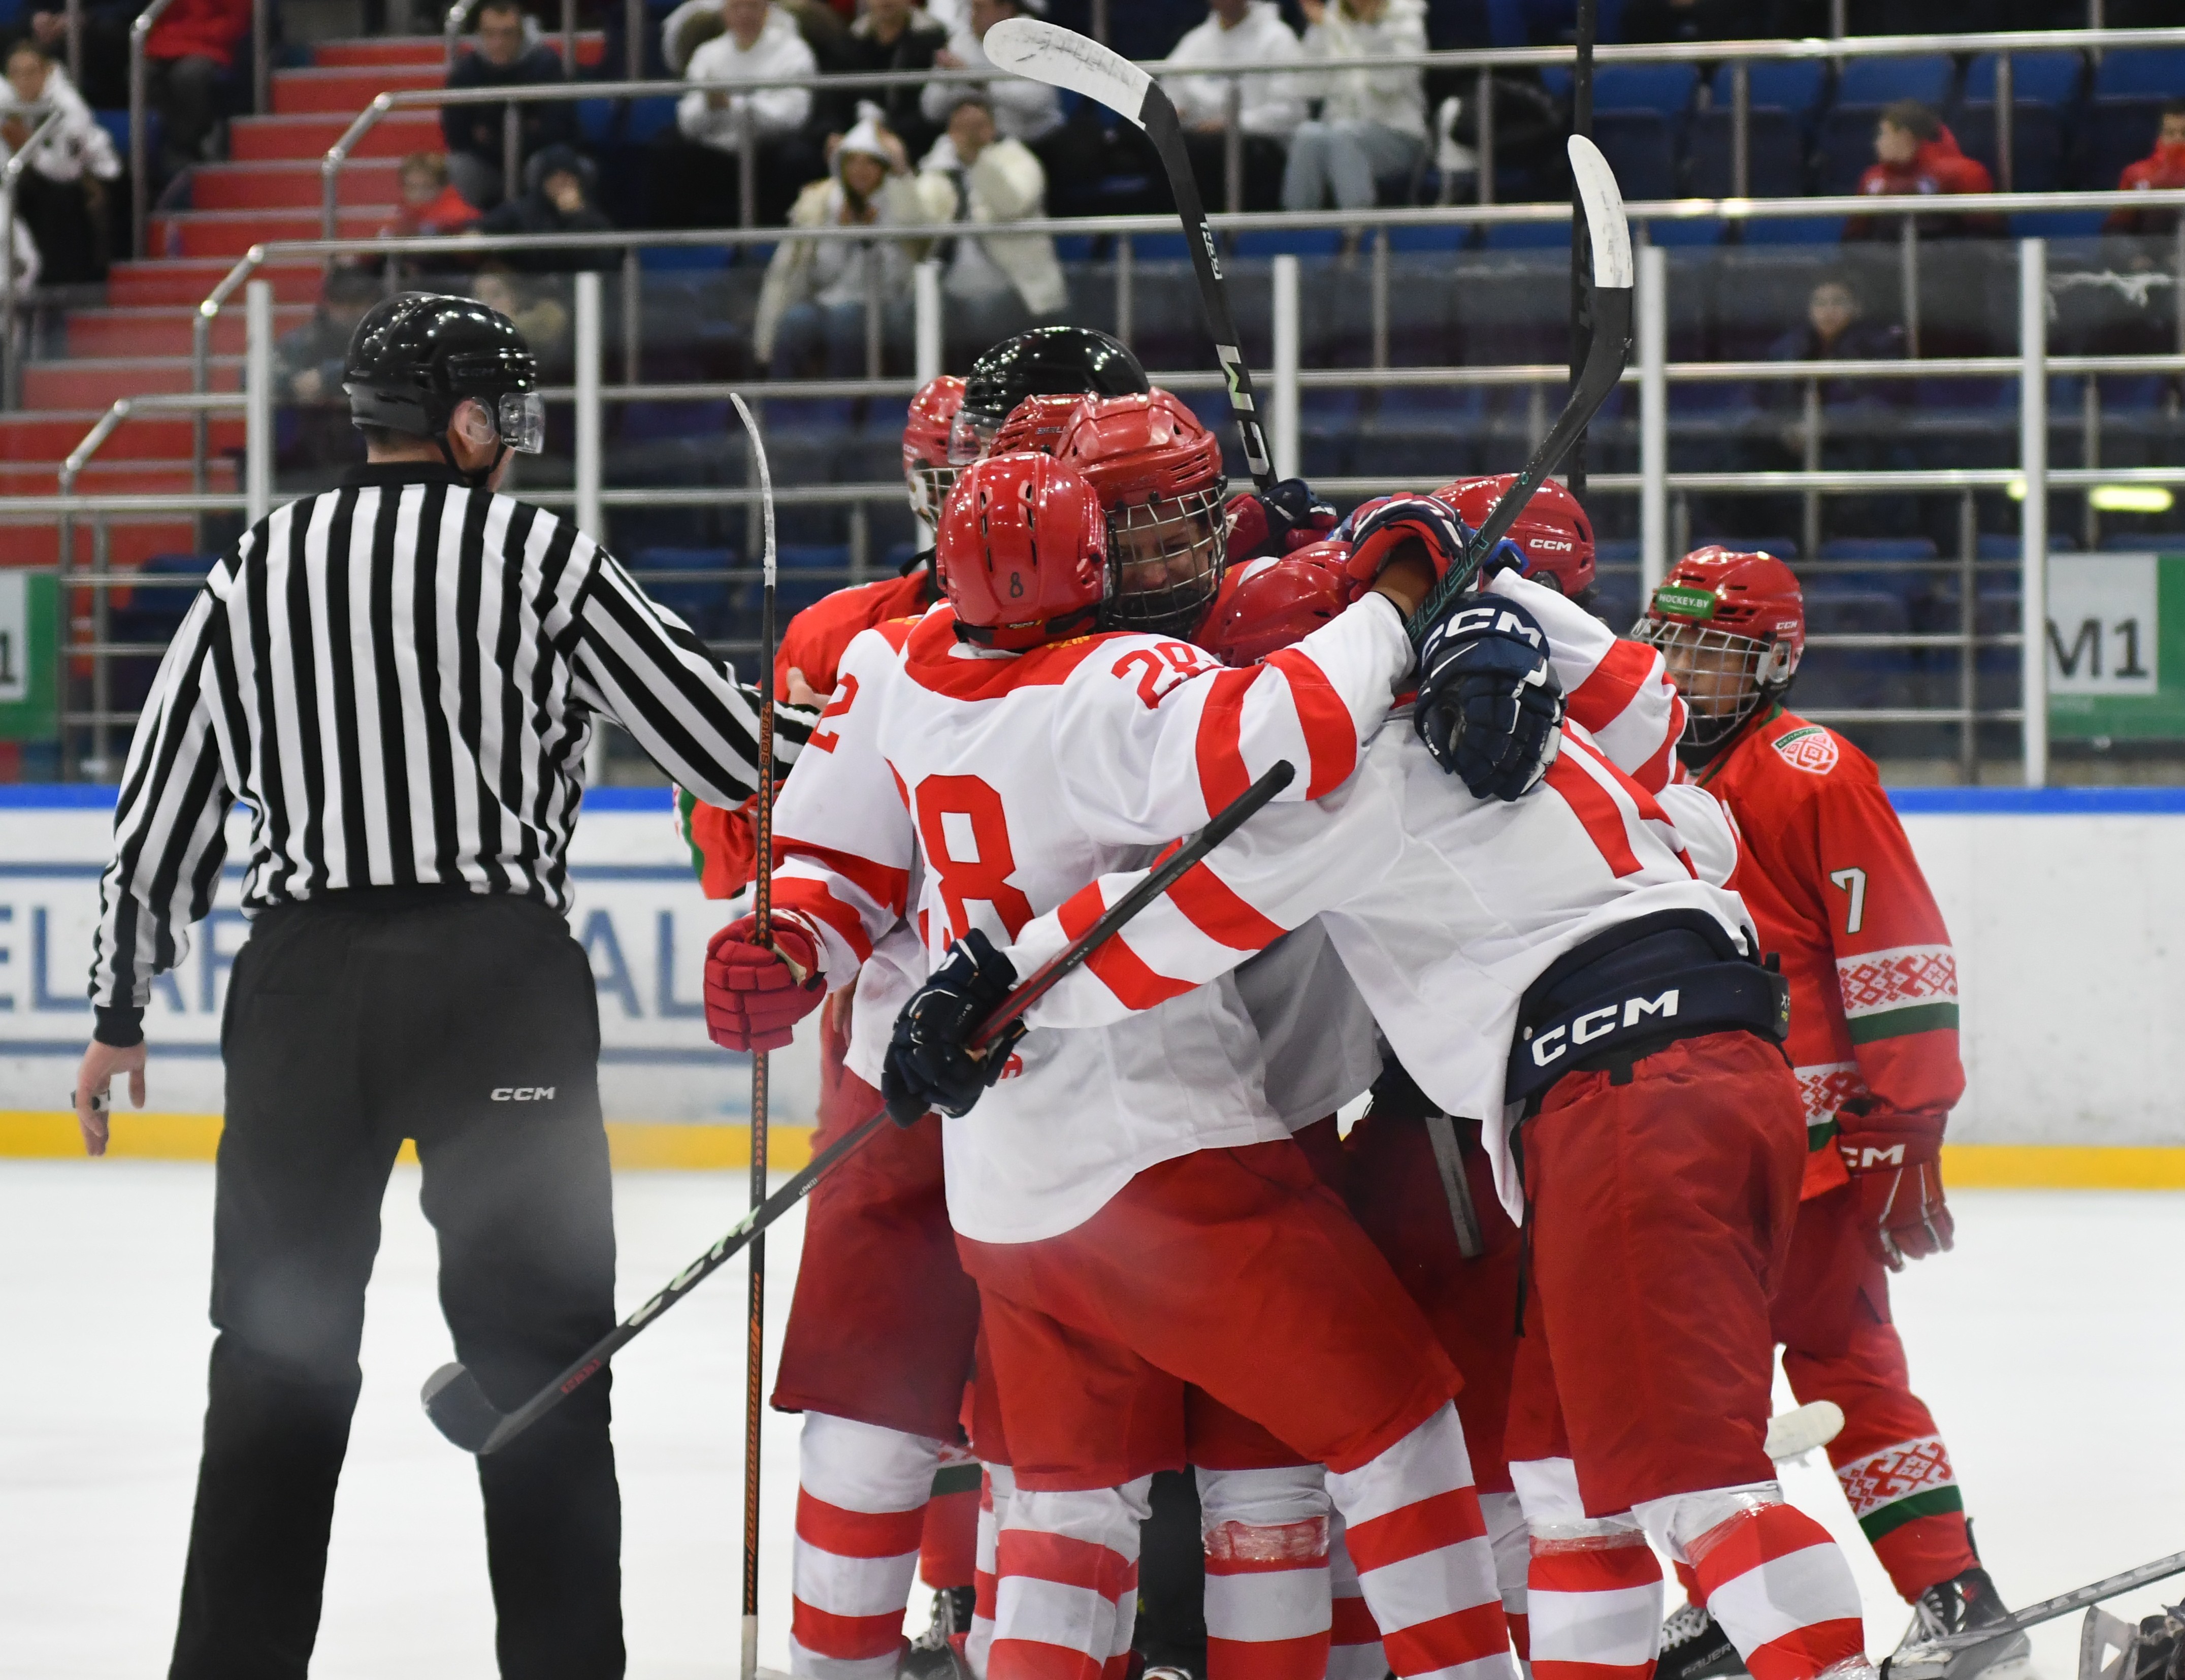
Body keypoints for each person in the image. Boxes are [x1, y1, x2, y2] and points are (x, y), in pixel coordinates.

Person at [902, 496, 1888, 1680]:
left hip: (1625, 1095)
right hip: (1695, 1072)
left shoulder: (1360, 780)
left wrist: (986, 986)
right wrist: (1490, 597)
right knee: (1568, 1489)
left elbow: (1167, 922)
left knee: (1698, 1492)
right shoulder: (1555, 718)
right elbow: (1658, 717)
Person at [73, 290, 810, 1680]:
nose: (516, 444)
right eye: (507, 416)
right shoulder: (538, 556)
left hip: (303, 999)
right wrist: (883, 717)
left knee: (274, 1362)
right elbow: (730, 744)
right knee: (542, 1370)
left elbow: (157, 804)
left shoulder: (256, 565)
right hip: (495, 984)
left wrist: (122, 1009)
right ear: (467, 420)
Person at [721, 437, 1525, 1680]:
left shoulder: (887, 665)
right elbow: (1294, 730)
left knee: (1059, 1506)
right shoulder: (1119, 677)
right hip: (1157, 1162)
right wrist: (1396, 593)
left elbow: (840, 869)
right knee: (1397, 1421)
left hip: (1000, 1196)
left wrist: (782, 940)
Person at [1634, 550, 2026, 1680]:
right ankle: (1725, 1601)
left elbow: (1897, 950)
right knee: (1699, 1392)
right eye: (1668, 643)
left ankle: (1956, 1594)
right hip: (1699, 1149)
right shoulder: (1641, 769)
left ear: (1772, 662)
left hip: (1809, 1159)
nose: (1681, 671)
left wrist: (1909, 1118)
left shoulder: (1812, 769)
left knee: (1846, 1368)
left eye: (1711, 651)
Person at [754, 119, 921, 380]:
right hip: (830, 300)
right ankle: (779, 405)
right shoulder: (825, 205)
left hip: (884, 304)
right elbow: (823, 275)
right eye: (852, 162)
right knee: (795, 321)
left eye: (869, 162)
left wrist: (873, 238)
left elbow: (897, 277)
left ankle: (844, 404)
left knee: (846, 320)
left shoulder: (899, 206)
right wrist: (842, 234)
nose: (860, 171)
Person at [914, 96, 1067, 372]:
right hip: (949, 286)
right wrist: (901, 173)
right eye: (963, 127)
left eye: (979, 126)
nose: (971, 135)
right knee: (913, 312)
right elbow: (914, 220)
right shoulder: (937, 168)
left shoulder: (1017, 159)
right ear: (950, 132)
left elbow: (1011, 203)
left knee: (981, 311)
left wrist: (977, 161)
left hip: (1014, 287)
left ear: (993, 128)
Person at [662, 0, 821, 230]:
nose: (745, 14)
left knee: (797, 158)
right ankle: (673, 247)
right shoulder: (707, 54)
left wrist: (732, 105)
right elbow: (688, 121)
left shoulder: (793, 52)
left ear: (766, 11)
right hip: (716, 151)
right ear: (725, 13)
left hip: (768, 151)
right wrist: (710, 107)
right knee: (669, 149)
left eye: (753, 7)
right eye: (737, 7)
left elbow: (792, 116)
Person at [1282, 0, 1427, 217]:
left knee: (1344, 134)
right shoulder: (1330, 20)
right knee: (1307, 136)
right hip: (1339, 131)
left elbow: (1391, 83)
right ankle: (1296, 234)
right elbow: (1308, 87)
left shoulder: (1405, 19)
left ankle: (1357, 232)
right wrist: (1320, 31)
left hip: (1398, 134)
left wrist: (1371, 29)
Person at [1159, 0, 1306, 213]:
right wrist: (1175, 112)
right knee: (1158, 143)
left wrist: (1233, 124)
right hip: (1199, 135)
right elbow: (1171, 94)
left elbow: (1291, 113)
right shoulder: (1196, 41)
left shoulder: (1278, 38)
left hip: (1261, 143)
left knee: (1208, 151)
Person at [441, 0, 581, 212]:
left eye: (507, 34)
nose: (498, 42)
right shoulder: (467, 71)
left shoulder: (545, 65)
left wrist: (491, 136)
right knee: (459, 167)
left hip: (535, 158)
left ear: (521, 34)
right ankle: (468, 232)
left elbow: (558, 128)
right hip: (486, 163)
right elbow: (457, 134)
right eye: (490, 33)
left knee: (555, 161)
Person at [0, 37, 119, 283]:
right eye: (16, 74)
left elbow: (66, 172)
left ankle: (62, 283)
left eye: (31, 72)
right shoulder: (7, 103)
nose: (23, 81)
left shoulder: (69, 108)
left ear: (48, 71)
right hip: (37, 174)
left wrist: (25, 143)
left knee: (56, 198)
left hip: (89, 178)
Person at [818, 0, 949, 168]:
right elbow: (830, 102)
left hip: (910, 139)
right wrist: (832, 133)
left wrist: (885, 135)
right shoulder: (848, 43)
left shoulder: (933, 41)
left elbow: (931, 112)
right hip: (853, 137)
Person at [1845, 101, 1997, 241]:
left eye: (1883, 134)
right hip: (1883, 266)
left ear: (1904, 136)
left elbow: (1986, 237)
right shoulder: (1873, 178)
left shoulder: (1966, 174)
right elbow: (1855, 238)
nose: (1877, 143)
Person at [921, 0, 1060, 150]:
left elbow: (1038, 101)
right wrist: (948, 83)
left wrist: (977, 82)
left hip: (1034, 141)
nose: (972, 15)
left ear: (1005, 10)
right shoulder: (959, 42)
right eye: (972, 7)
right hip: (973, 144)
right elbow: (931, 111)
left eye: (980, 8)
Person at [141, 0, 250, 186]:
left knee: (190, 75)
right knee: (142, 72)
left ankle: (185, 145)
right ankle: (159, 142)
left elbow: (235, 21)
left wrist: (196, 38)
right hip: (167, 41)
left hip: (209, 44)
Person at [475, 142, 618, 271]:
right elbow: (485, 228)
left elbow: (607, 261)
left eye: (568, 177)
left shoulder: (592, 217)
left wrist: (577, 216)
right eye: (555, 177)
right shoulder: (525, 211)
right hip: (529, 288)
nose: (562, 183)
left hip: (576, 290)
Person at [2104, 98, 2185, 237]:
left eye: (2184, 134)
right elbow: (2117, 230)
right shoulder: (2136, 174)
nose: (2178, 139)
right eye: (2170, 133)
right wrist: (2135, 257)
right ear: (2160, 136)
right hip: (2150, 256)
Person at [380, 150, 482, 240]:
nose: (418, 194)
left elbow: (458, 220)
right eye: (412, 187)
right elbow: (369, 256)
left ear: (442, 188)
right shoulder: (401, 215)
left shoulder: (458, 211)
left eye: (427, 187)